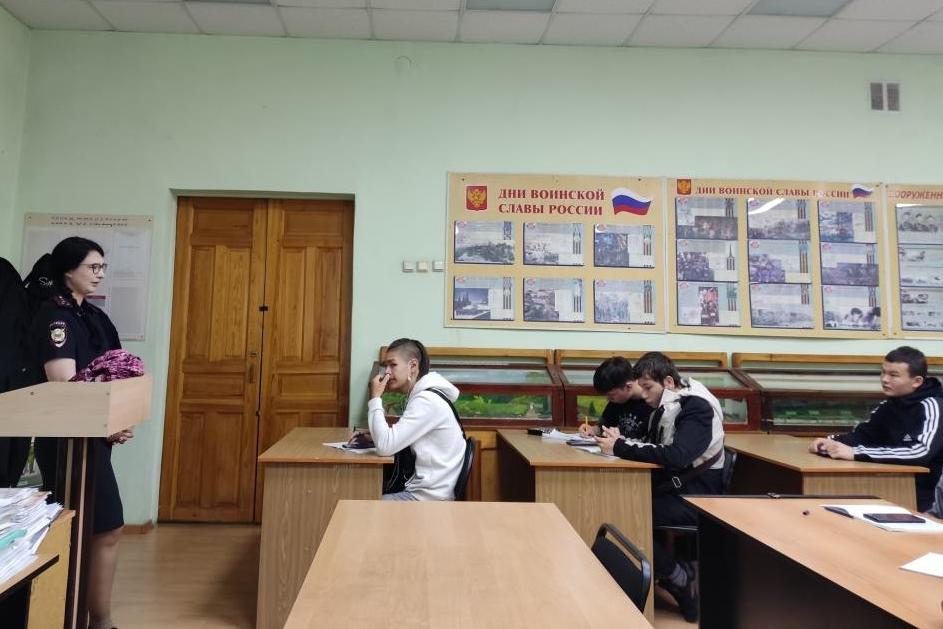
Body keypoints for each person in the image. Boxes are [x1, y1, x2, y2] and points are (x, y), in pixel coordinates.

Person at [30, 237, 132, 629]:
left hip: (96, 438)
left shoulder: (94, 316)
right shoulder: (55, 317)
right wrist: (107, 421)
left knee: (104, 526)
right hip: (69, 442)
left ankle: (96, 619)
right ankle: (90, 620)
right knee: (97, 526)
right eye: (93, 267)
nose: (100, 274)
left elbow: (119, 371)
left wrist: (120, 417)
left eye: (103, 267)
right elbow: (65, 386)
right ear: (68, 270)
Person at [594, 351, 725, 623]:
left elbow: (677, 456)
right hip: (673, 488)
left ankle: (678, 578)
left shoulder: (696, 407)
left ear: (668, 382)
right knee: (620, 505)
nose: (642, 395)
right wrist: (621, 442)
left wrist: (621, 447)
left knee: (627, 515)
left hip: (697, 496)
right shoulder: (666, 405)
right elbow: (654, 447)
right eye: (640, 387)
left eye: (647, 387)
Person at [810, 346, 942, 513]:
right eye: (883, 372)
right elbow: (861, 435)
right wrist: (829, 441)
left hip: (928, 499)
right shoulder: (889, 405)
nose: (885, 379)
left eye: (893, 375)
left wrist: (855, 453)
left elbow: (920, 453)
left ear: (916, 381)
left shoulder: (933, 406)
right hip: (892, 485)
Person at [367, 338, 465, 501]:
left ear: (412, 366)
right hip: (428, 491)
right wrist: (373, 436)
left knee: (364, 503)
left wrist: (375, 397)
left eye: (393, 365)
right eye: (386, 366)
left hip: (427, 498)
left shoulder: (426, 401)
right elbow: (396, 438)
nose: (387, 372)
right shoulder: (425, 395)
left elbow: (384, 447)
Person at [578, 356, 652, 440]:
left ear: (628, 386)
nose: (608, 399)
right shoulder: (617, 402)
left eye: (611, 395)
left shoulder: (651, 402)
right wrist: (593, 430)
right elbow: (603, 426)